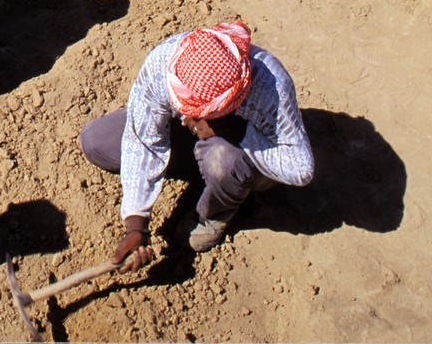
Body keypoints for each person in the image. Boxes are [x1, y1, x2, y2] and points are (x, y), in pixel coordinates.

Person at [80, 20, 314, 266]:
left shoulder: (270, 85)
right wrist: (136, 223)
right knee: (98, 141)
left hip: (236, 153)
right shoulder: (164, 63)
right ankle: (206, 172)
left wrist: (231, 130)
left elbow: (300, 168)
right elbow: (142, 140)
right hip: (192, 138)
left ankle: (220, 206)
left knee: (223, 161)